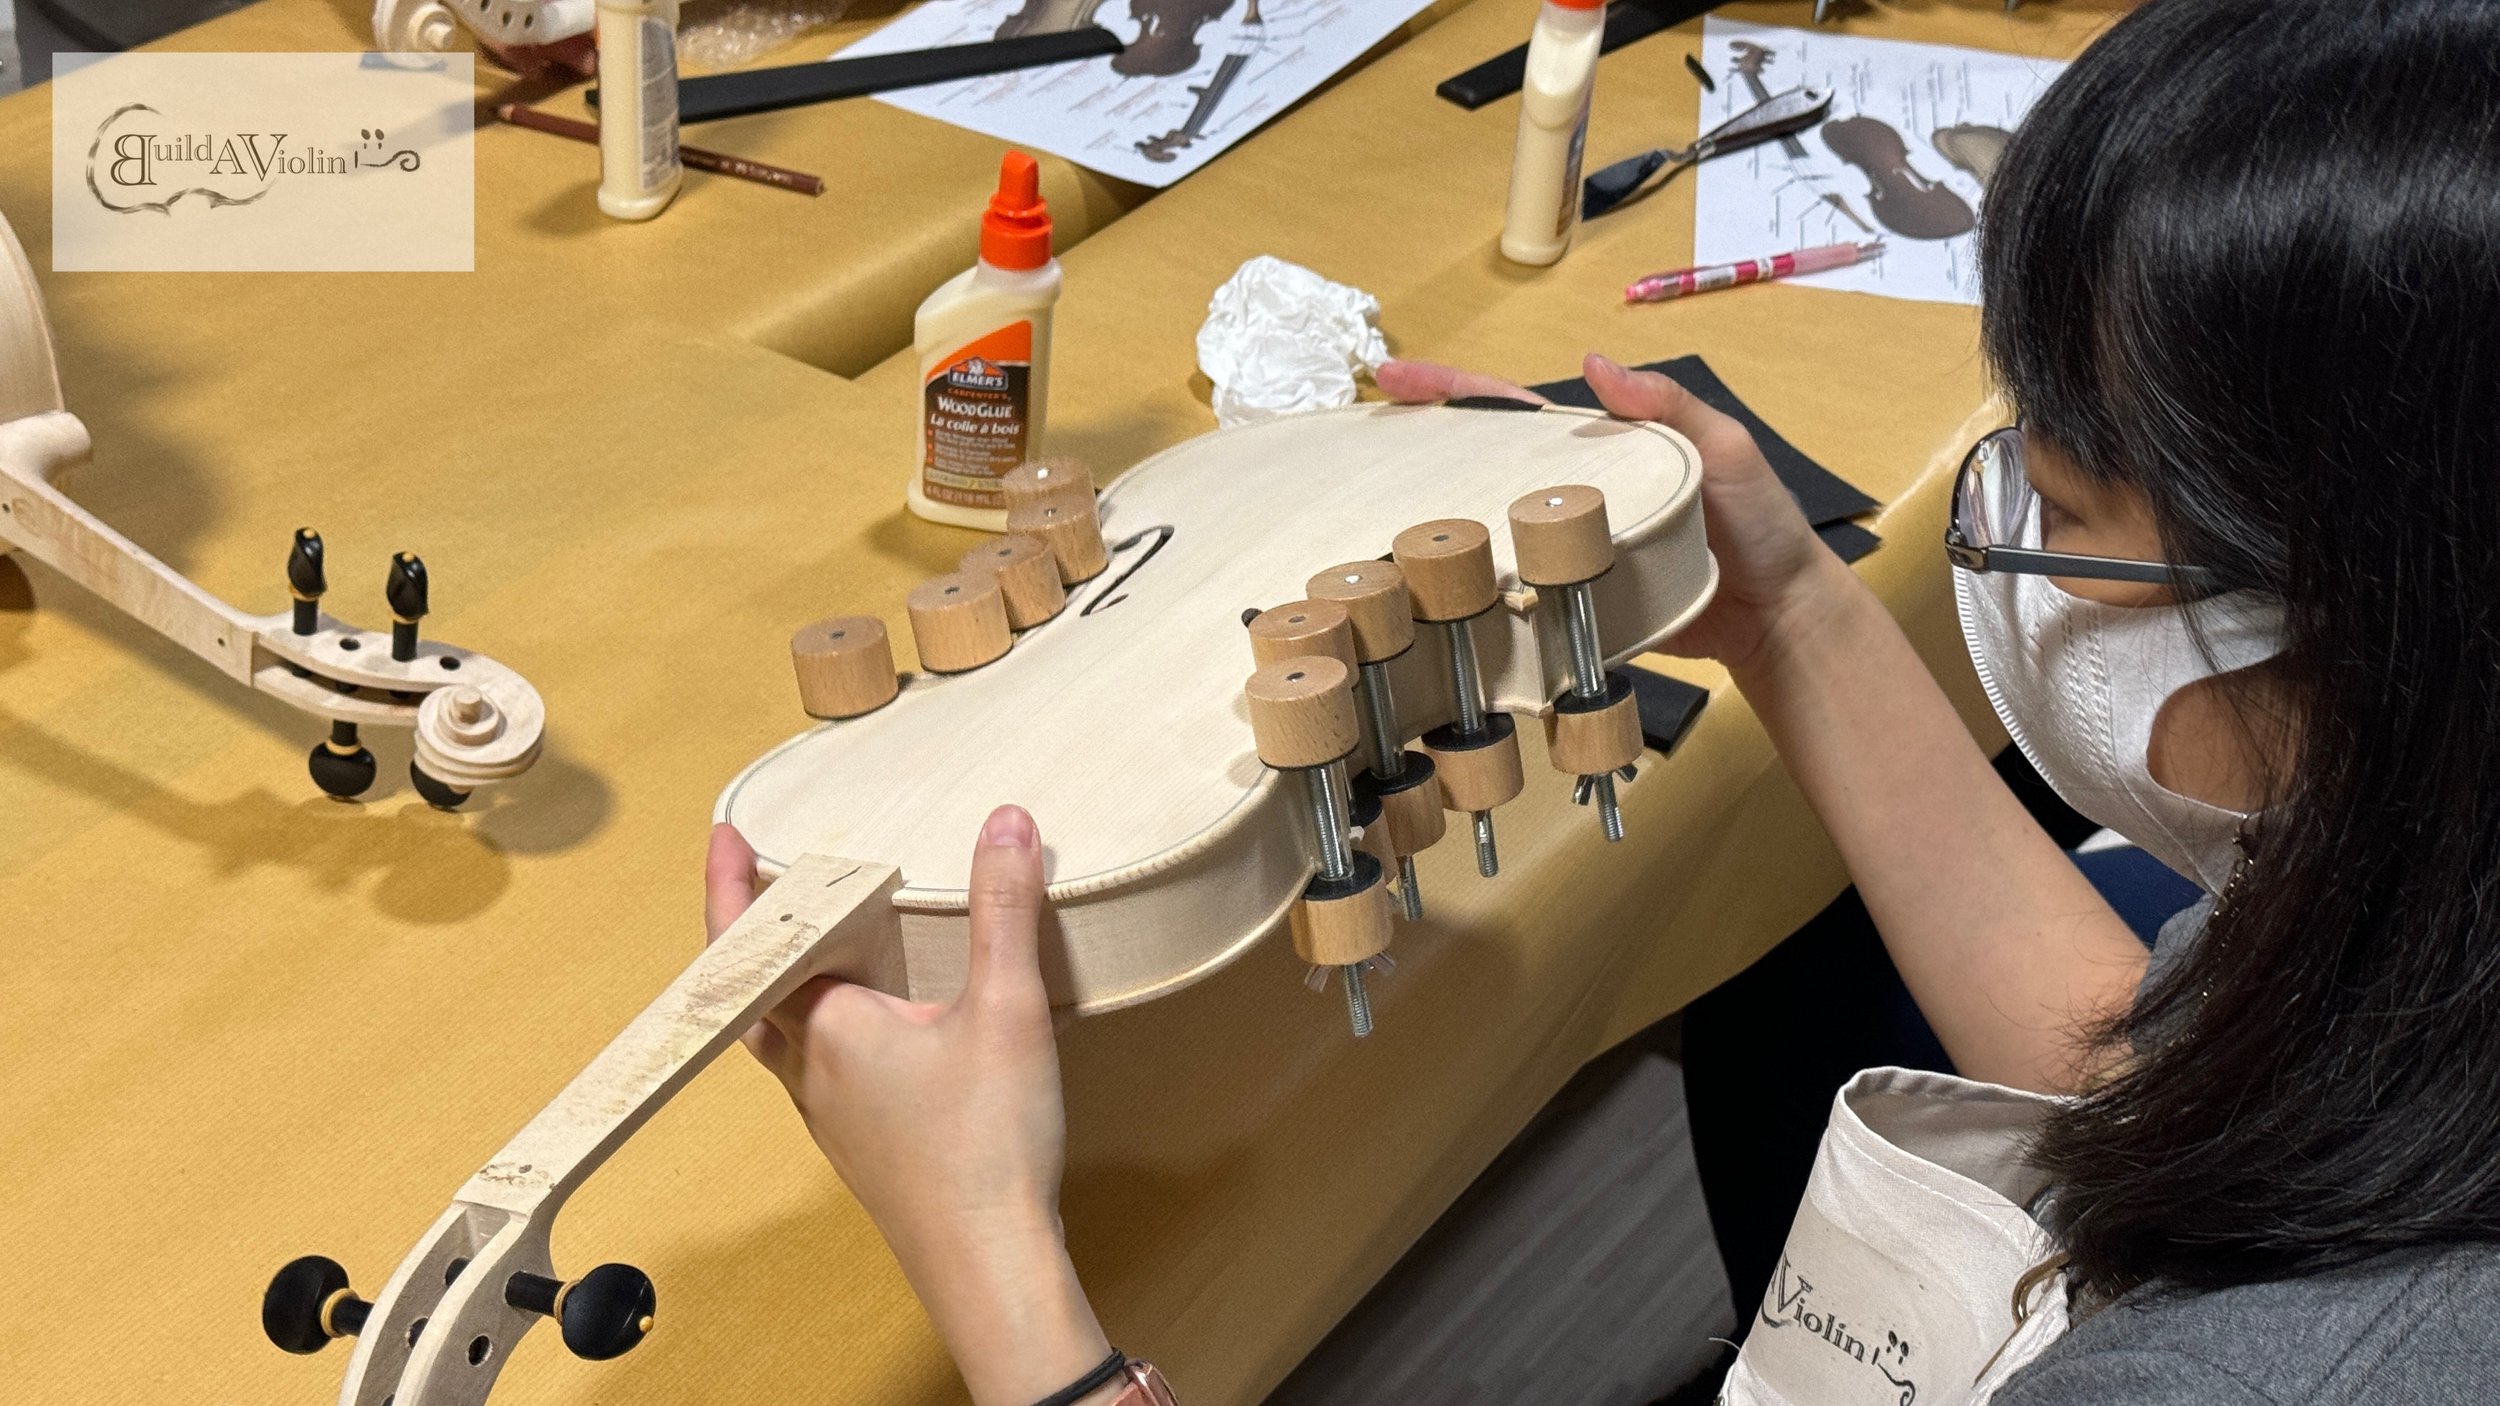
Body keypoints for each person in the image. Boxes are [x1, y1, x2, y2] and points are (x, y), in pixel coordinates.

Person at [702, 0, 2500, 1398]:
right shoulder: (2425, 917)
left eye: (2073, 514)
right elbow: (2134, 1082)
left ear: (2369, 640)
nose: (2014, 538)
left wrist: (1001, 1271)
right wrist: (1783, 603)